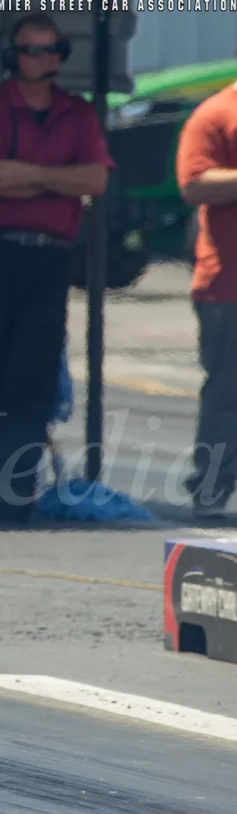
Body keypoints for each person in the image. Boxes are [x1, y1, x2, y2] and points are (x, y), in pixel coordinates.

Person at [0, 12, 112, 522]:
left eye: (50, 50)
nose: (42, 60)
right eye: (31, 51)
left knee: (34, 372)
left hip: (49, 256)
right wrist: (60, 178)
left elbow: (96, 179)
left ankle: (16, 491)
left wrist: (30, 174)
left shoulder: (76, 112)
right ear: (13, 57)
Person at [176, 54, 237, 516]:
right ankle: (212, 489)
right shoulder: (216, 113)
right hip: (228, 287)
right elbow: (194, 183)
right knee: (228, 393)